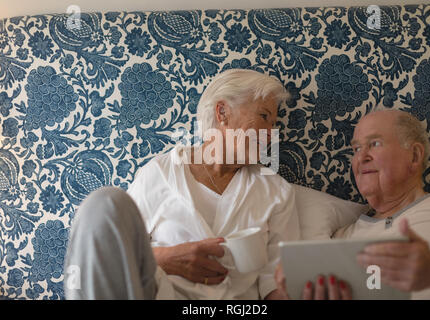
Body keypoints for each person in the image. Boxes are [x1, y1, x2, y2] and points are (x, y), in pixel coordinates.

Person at [64, 69, 300, 299]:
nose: (271, 134)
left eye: (274, 124)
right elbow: (110, 264)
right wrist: (165, 259)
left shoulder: (276, 192)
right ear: (222, 112)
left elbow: (276, 287)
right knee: (104, 202)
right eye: (264, 116)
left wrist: (299, 288)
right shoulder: (160, 173)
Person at [275, 109, 430, 300]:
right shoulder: (337, 242)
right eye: (356, 149)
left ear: (414, 156)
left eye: (375, 144)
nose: (361, 157)